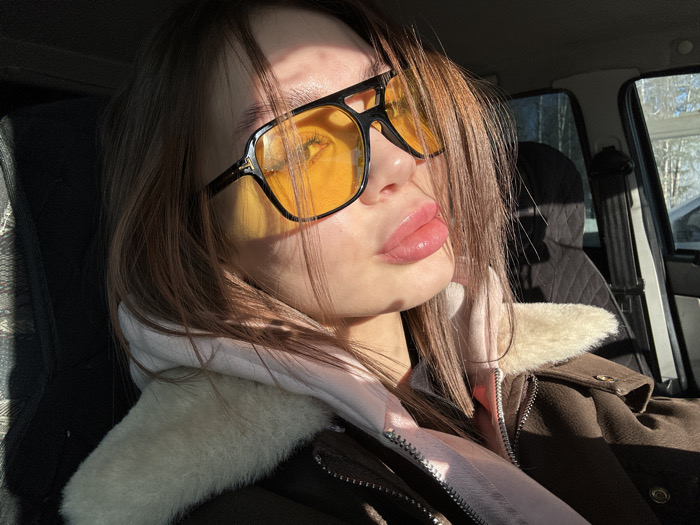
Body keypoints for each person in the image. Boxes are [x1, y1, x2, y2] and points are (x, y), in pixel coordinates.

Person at [60, 0, 700, 523]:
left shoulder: (547, 369)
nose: (401, 159)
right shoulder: (247, 504)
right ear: (201, 234)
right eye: (301, 150)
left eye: (395, 103)